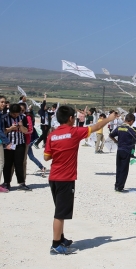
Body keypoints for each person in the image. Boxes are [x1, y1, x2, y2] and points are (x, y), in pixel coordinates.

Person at [43, 105, 117, 255]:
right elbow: (95, 127)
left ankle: (61, 238)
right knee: (60, 214)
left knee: (60, 210)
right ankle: (56, 245)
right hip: (66, 178)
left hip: (54, 177)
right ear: (71, 119)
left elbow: (46, 157)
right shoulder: (74, 132)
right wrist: (109, 119)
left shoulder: (53, 135)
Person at [2, 104, 31, 191]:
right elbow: (2, 131)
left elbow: (26, 131)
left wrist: (21, 126)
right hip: (8, 144)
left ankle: (21, 182)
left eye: (17, 114)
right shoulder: (5, 118)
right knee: (7, 164)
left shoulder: (23, 117)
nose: (15, 115)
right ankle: (6, 182)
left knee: (19, 164)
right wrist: (10, 128)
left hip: (20, 143)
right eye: (13, 114)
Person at [109, 112, 136, 192]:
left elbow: (111, 135)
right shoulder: (130, 129)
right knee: (124, 169)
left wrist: (116, 141)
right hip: (126, 151)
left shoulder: (119, 127)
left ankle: (116, 185)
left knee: (118, 168)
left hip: (119, 150)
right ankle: (120, 187)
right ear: (131, 121)